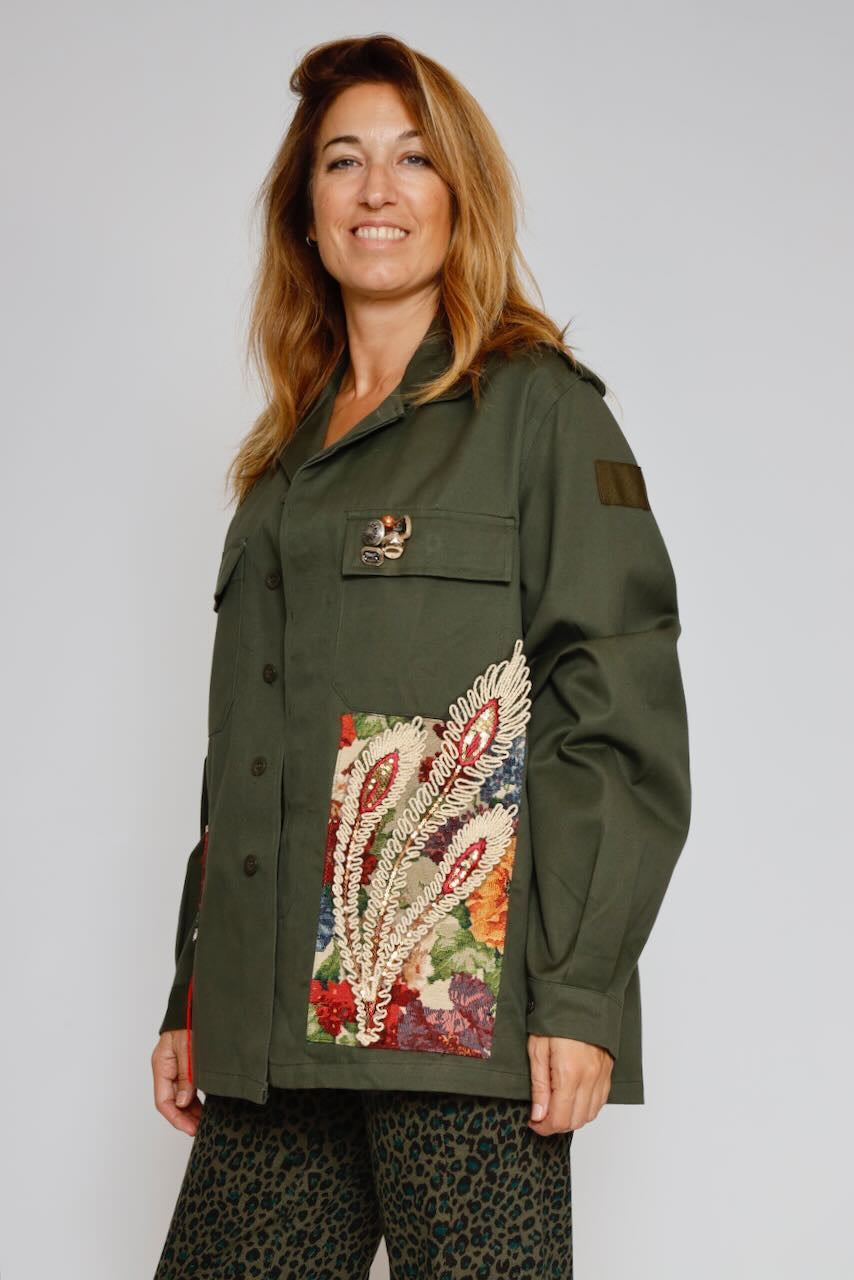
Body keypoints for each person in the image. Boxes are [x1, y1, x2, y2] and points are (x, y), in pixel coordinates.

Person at [151, 33, 691, 1280]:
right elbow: (246, 754)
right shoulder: (282, 465)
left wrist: (578, 991)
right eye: (342, 161)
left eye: (411, 159)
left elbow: (612, 709)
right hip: (271, 1029)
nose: (376, 190)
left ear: (459, 195)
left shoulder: (540, 410)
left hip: (456, 1015)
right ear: (305, 210)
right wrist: (195, 988)